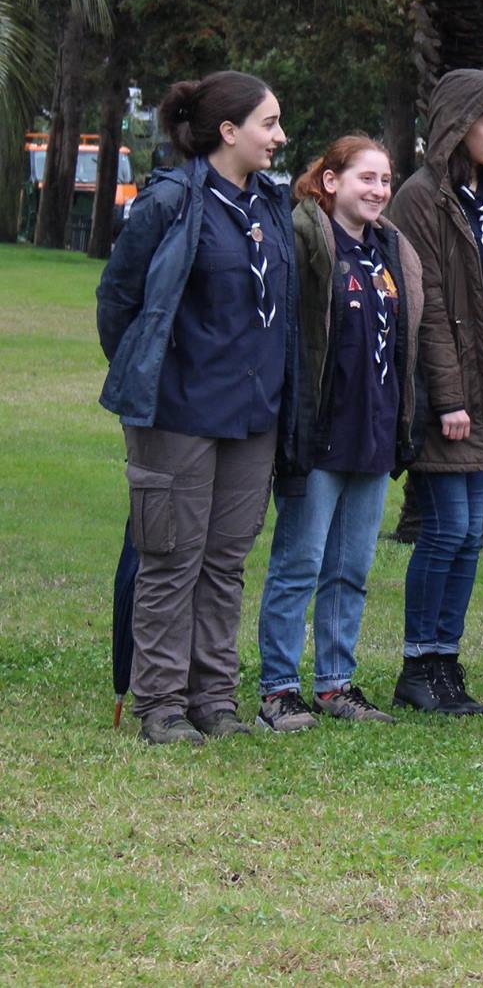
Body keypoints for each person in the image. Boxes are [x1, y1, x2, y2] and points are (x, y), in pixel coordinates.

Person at [96, 71, 296, 744]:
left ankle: (214, 699)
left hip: (252, 415)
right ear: (229, 130)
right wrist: (148, 369)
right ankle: (160, 704)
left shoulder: (270, 204)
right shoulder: (172, 199)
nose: (280, 136)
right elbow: (117, 300)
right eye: (269, 124)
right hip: (177, 411)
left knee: (224, 563)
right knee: (171, 559)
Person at [257, 136, 423, 731]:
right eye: (366, 178)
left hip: (373, 436)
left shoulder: (391, 252)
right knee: (298, 564)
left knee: (351, 569)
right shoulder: (307, 242)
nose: (379, 190)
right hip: (320, 435)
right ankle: (278, 688)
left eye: (386, 179)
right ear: (330, 182)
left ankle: (334, 685)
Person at [387, 69, 483, 715]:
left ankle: (445, 662)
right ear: (457, 124)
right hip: (448, 400)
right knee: (446, 530)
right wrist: (448, 398)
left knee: (470, 532)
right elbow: (430, 304)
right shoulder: (422, 198)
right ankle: (418, 663)